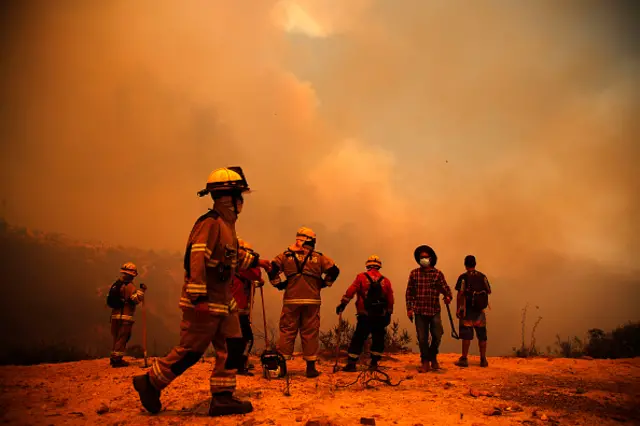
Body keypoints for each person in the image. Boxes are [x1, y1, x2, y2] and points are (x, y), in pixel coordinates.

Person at [132, 167, 271, 417]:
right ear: (229, 196)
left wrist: (259, 262)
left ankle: (222, 397)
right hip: (206, 302)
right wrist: (199, 298)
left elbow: (230, 258)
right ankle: (150, 382)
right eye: (240, 195)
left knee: (234, 345)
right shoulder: (210, 223)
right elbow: (196, 258)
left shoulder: (227, 227)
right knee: (191, 351)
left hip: (223, 302)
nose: (242, 202)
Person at [267, 226, 340, 378]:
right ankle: (311, 368)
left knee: (287, 331)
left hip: (291, 299)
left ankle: (282, 367)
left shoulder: (285, 256)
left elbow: (271, 268)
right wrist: (324, 283)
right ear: (311, 241)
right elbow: (334, 271)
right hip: (312, 301)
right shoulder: (319, 257)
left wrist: (279, 284)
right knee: (310, 332)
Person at [336, 255, 394, 371]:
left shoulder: (361, 277)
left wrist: (343, 304)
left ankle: (352, 364)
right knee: (378, 338)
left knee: (359, 338)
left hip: (364, 314)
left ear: (367, 265)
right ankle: (374, 363)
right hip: (380, 315)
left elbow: (351, 291)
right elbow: (390, 298)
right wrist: (389, 313)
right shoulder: (385, 280)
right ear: (379, 266)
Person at [405, 245, 453, 372]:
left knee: (438, 335)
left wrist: (448, 297)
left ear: (431, 258)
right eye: (421, 257)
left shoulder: (437, 274)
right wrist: (409, 309)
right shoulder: (414, 274)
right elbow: (409, 292)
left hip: (434, 310)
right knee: (422, 338)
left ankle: (433, 356)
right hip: (419, 310)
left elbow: (447, 291)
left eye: (426, 257)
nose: (423, 259)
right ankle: (425, 361)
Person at [224, 238, 264, 376]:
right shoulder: (241, 268)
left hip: (234, 310)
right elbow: (256, 273)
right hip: (237, 311)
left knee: (233, 339)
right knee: (247, 339)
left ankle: (235, 363)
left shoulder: (231, 268)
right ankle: (240, 365)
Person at [454, 255, 492, 368]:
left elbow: (460, 294)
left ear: (465, 264)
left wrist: (458, 308)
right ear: (475, 264)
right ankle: (483, 359)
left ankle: (464, 358)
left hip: (467, 310)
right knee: (482, 336)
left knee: (466, 336)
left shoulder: (463, 277)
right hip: (480, 311)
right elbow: (489, 291)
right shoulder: (482, 276)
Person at [108, 262, 147, 367]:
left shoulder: (116, 284)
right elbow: (135, 299)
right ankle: (117, 360)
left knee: (116, 338)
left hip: (115, 316)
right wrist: (142, 291)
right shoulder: (129, 286)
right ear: (132, 274)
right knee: (123, 338)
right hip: (125, 317)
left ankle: (113, 357)